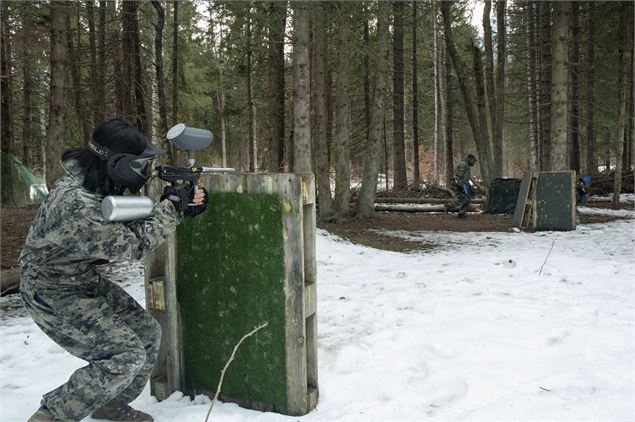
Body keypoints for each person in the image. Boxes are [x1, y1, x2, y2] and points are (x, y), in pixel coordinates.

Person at [21, 118, 208, 422]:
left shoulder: (90, 180)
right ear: (120, 163)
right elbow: (129, 246)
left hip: (80, 281)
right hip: (50, 292)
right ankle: (52, 414)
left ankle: (110, 403)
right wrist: (172, 210)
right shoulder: (73, 204)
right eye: (139, 164)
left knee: (147, 334)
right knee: (124, 355)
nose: (143, 171)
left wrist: (182, 205)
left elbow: (120, 217)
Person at [452, 153, 478, 218]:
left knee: (467, 198)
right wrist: (461, 185)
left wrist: (470, 186)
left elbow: (465, 177)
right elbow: (458, 176)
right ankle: (450, 206)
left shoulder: (466, 165)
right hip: (462, 185)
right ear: (470, 159)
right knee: (465, 198)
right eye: (473, 161)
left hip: (464, 184)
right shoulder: (463, 164)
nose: (473, 163)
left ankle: (461, 213)